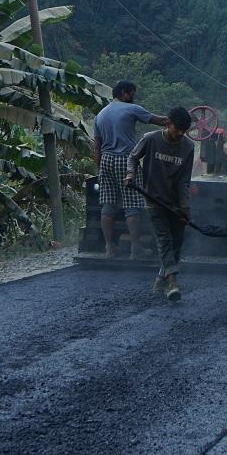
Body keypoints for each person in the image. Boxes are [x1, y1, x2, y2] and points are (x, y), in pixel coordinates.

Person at [126, 107, 195, 302]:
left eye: (184, 130)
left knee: (177, 243)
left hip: (175, 202)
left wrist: (185, 207)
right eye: (177, 129)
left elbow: (184, 180)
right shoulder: (151, 139)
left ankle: (160, 278)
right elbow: (133, 157)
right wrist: (131, 174)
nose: (180, 133)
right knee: (164, 240)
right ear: (167, 124)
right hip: (154, 199)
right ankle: (172, 284)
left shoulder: (188, 146)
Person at [93, 80, 169, 258]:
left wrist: (99, 169)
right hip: (125, 160)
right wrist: (183, 119)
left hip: (105, 160)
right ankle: (136, 248)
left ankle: (109, 247)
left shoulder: (100, 115)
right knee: (132, 204)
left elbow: (97, 146)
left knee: (108, 205)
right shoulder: (131, 108)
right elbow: (161, 121)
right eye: (132, 93)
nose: (133, 96)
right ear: (125, 93)